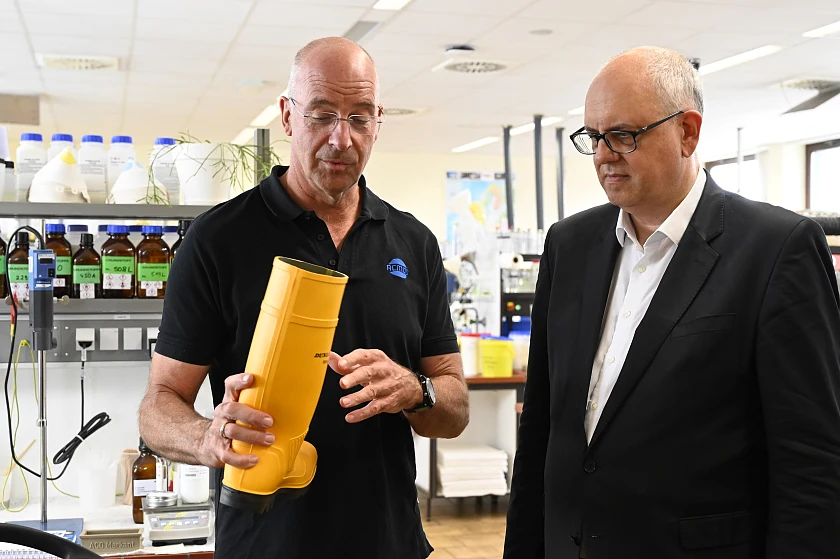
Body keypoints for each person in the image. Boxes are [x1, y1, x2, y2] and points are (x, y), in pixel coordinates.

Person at [138, 37, 469, 559]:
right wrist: (206, 437)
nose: (342, 138)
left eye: (360, 117)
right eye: (322, 115)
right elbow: (158, 406)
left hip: (389, 541)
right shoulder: (218, 240)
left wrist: (414, 388)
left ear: (378, 121)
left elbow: (453, 410)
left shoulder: (414, 242)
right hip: (264, 543)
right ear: (288, 117)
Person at [504, 46, 840, 559]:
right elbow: (542, 431)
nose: (602, 155)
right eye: (593, 137)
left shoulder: (775, 248)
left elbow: (811, 463)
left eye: (622, 135)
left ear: (688, 132)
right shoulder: (569, 246)